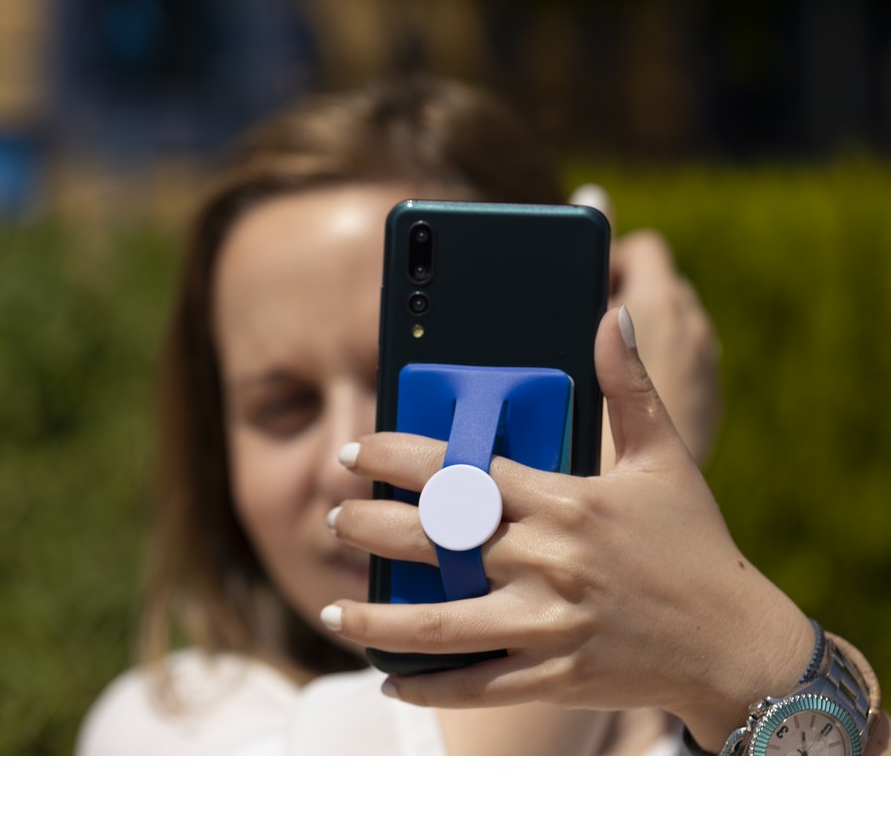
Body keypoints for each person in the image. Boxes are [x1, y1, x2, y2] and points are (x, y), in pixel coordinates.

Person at [77, 75, 885, 755]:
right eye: (282, 406)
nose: (347, 455)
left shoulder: (703, 715)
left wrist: (752, 664)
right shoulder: (170, 729)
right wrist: (606, 478)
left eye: (398, 381)